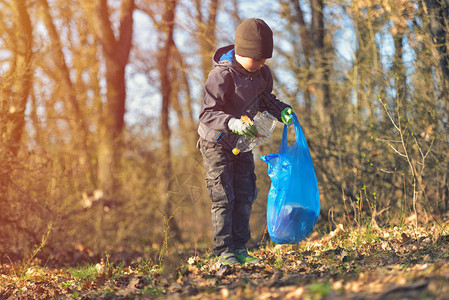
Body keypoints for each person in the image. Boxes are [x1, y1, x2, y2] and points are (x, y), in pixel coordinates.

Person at [197, 18, 295, 265]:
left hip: (242, 144)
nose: (262, 64)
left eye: (265, 59)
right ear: (242, 52)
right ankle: (223, 252)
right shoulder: (221, 75)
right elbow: (207, 113)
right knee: (223, 195)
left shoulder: (261, 73)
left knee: (245, 194)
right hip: (216, 142)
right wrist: (233, 123)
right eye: (257, 58)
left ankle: (240, 248)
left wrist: (281, 110)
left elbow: (265, 100)